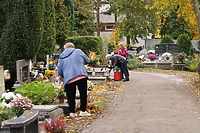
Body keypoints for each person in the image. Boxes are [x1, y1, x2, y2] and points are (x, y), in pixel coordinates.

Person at [57, 42, 91, 117]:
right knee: (83, 93)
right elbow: (87, 60)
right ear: (73, 47)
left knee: (70, 95)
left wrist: (64, 75)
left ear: (65, 48)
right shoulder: (78, 51)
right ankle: (83, 110)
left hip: (69, 78)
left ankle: (72, 112)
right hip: (81, 75)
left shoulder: (61, 56)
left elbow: (59, 70)